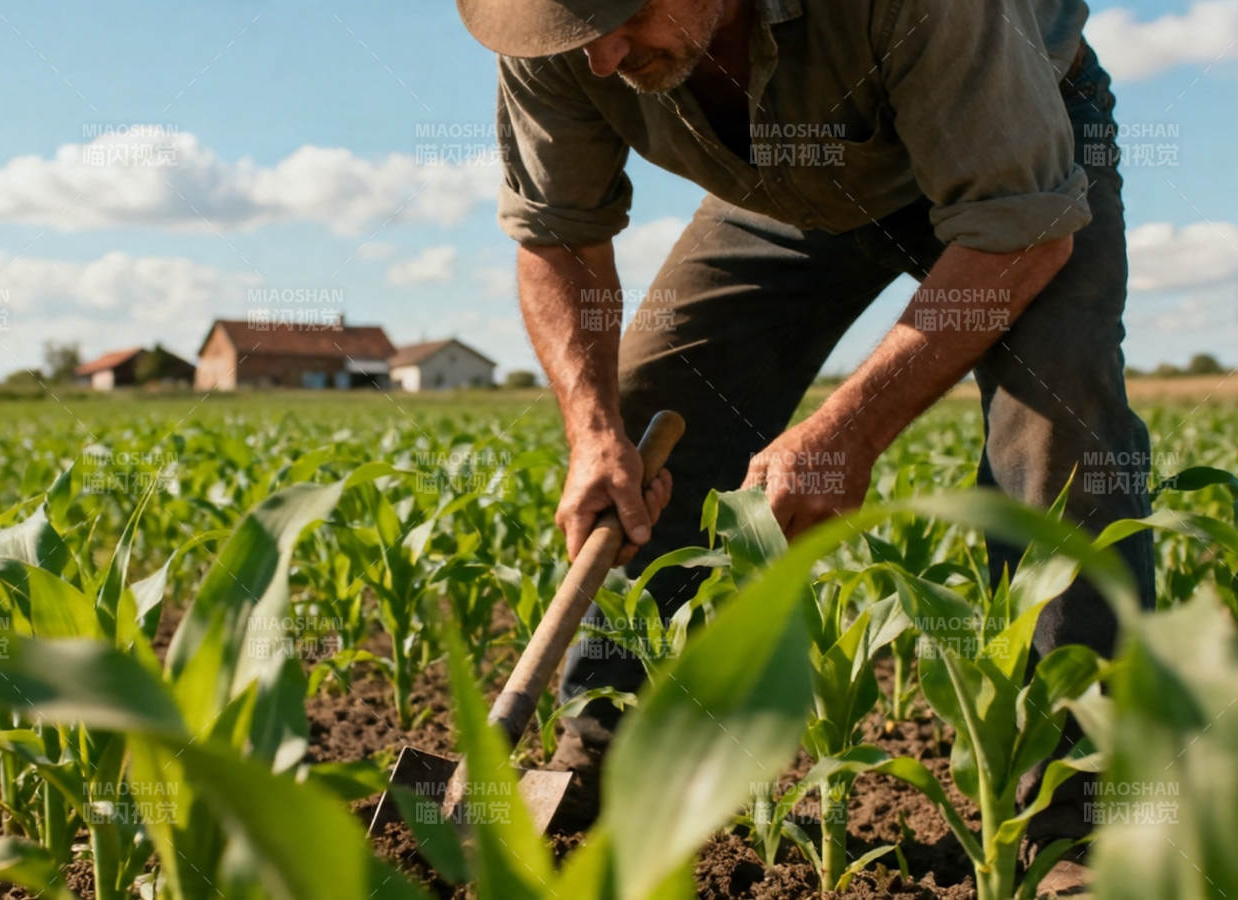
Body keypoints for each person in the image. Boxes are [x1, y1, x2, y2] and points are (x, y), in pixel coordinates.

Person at [457, 1, 1156, 894]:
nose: (601, 58)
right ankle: (602, 749)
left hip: (1012, 158)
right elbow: (558, 234)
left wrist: (850, 430)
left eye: (626, 14)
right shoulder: (556, 32)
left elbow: (1019, 233)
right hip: (788, 180)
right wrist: (593, 432)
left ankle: (1078, 825)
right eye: (576, 36)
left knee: (1060, 424)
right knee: (659, 399)